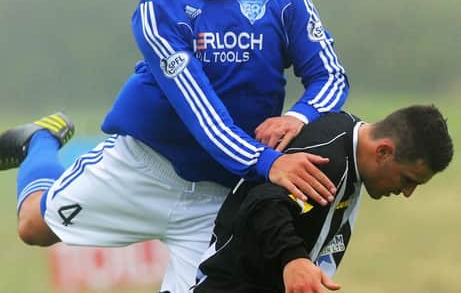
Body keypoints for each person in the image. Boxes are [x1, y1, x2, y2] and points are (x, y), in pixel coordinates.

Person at [0, 0, 349, 292]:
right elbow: (204, 118)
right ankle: (41, 141)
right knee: (31, 226)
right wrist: (271, 163)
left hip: (221, 194)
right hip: (145, 166)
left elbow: (330, 75)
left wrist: (300, 117)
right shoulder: (158, 6)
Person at [193, 104, 454, 293]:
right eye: (408, 179)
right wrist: (294, 259)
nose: (407, 193)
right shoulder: (327, 158)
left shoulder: (352, 154)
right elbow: (263, 201)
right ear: (383, 151)